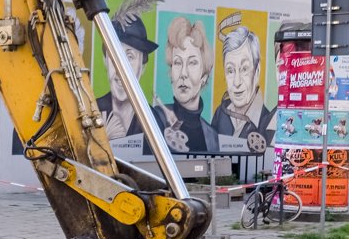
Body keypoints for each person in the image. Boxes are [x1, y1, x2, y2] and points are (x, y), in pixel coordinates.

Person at [153, 16, 219, 153]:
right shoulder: (155, 120)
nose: (183, 73)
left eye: (192, 63)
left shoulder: (211, 136)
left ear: (204, 77)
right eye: (177, 62)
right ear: (171, 73)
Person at [95, 9, 157, 140]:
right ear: (105, 60)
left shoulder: (154, 121)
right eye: (114, 55)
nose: (120, 68)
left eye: (130, 56)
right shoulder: (92, 111)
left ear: (143, 66)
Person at [212, 25, 275, 151]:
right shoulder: (221, 113)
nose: (237, 82)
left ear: (257, 72)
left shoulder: (268, 124)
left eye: (244, 69)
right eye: (230, 70)